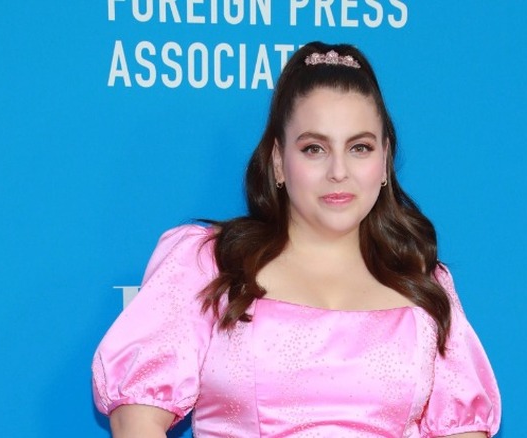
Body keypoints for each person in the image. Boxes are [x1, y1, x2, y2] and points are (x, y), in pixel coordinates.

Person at [92, 41, 501, 438]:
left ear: (384, 162)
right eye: (314, 149)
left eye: (359, 147)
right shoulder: (210, 263)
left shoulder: (424, 284)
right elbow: (135, 423)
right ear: (278, 162)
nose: (339, 171)